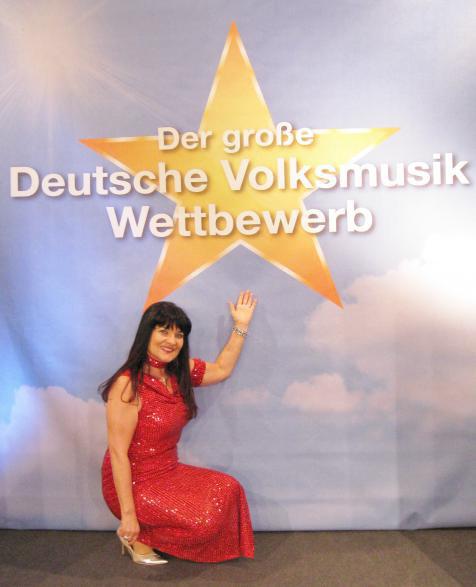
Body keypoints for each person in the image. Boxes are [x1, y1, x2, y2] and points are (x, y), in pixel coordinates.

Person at [99, 290, 257, 565]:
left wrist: (240, 325)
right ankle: (137, 537)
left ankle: (146, 534)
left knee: (229, 489)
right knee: (202, 522)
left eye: (179, 335)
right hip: (134, 482)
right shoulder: (128, 385)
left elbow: (222, 369)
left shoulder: (180, 371)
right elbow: (117, 453)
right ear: (147, 334)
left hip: (168, 471)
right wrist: (128, 515)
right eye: (164, 332)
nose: (172, 341)